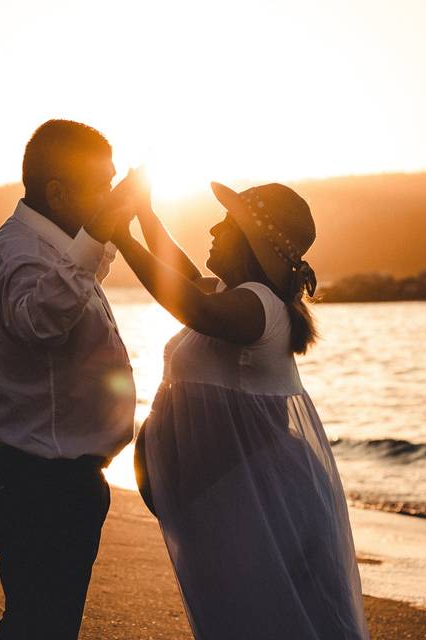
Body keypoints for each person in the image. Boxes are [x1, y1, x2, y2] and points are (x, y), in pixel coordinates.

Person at [115, 180, 370, 639]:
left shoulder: (261, 306)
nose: (214, 228)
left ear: (252, 241)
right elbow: (185, 278)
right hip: (236, 498)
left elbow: (192, 306)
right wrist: (145, 215)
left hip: (259, 502)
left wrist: (122, 237)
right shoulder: (237, 294)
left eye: (228, 223)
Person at [0, 119, 137, 639]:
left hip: (56, 479)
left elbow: (68, 290)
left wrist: (102, 235)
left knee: (47, 625)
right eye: (101, 186)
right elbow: (38, 320)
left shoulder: (55, 252)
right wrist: (94, 239)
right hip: (35, 484)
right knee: (40, 627)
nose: (109, 195)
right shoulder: (16, 252)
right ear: (58, 193)